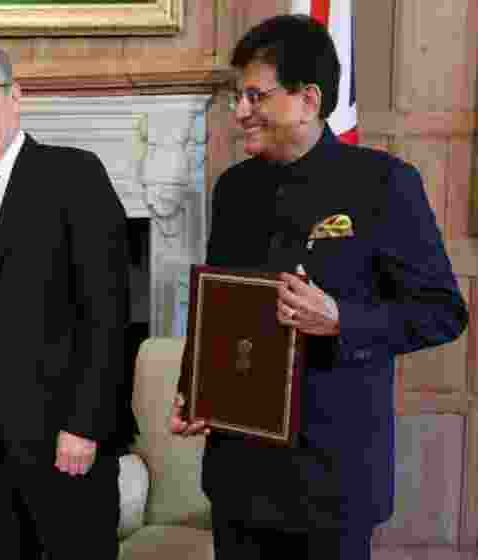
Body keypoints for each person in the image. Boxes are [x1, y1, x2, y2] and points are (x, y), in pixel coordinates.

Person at [169, 14, 468, 560]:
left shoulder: (385, 183)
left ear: (308, 99)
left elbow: (443, 312)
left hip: (332, 481)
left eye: (255, 97)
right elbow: (218, 303)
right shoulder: (234, 188)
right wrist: (195, 388)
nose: (240, 113)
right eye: (238, 97)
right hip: (239, 476)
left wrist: (341, 319)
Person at [0, 40, 135, 559]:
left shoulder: (73, 175)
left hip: (67, 445)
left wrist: (85, 425)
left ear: (15, 95)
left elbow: (108, 311)